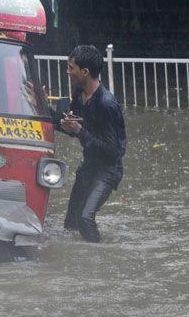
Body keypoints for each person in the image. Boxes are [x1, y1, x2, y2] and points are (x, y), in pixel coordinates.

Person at [58, 45, 127, 243]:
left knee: (85, 219)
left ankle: (101, 260)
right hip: (89, 165)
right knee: (71, 222)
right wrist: (38, 101)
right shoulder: (78, 94)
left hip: (108, 170)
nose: (68, 71)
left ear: (85, 72)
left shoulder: (106, 103)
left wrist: (80, 131)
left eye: (71, 67)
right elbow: (69, 125)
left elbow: (113, 151)